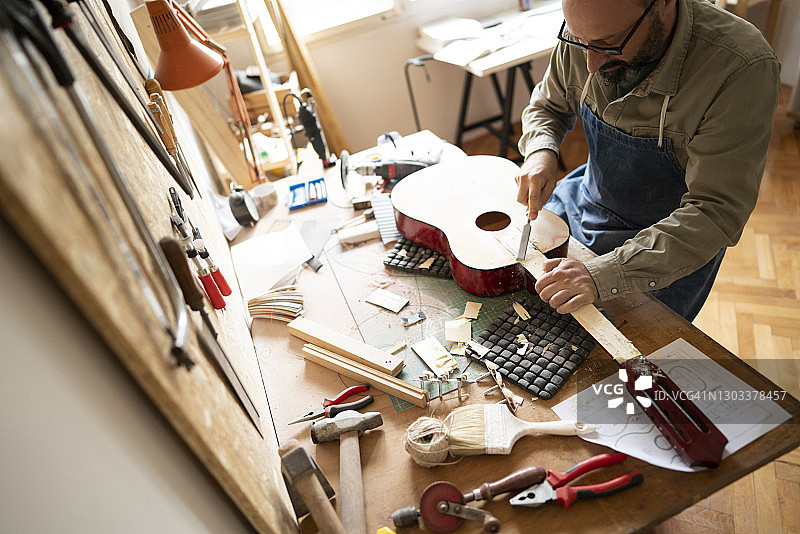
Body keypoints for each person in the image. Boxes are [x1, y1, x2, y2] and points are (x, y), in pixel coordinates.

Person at [516, 0, 780, 321]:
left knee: (624, 355)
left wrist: (602, 275)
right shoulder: (589, 31)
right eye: (579, 42)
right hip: (583, 201)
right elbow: (548, 105)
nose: (590, 63)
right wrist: (540, 152)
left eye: (608, 45)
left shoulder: (740, 65)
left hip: (670, 244)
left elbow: (715, 213)